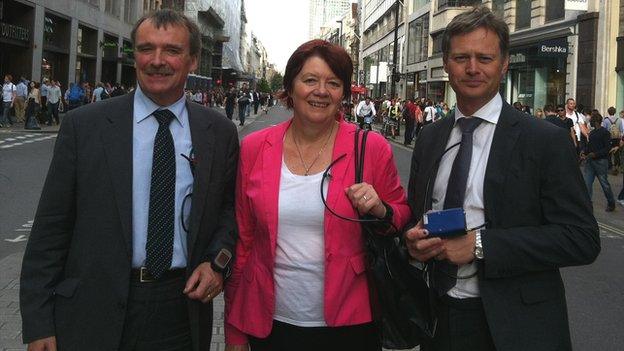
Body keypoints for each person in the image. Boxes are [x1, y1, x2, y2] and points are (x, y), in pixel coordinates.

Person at [20, 9, 239, 351]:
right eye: (146, 49)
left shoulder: (219, 133)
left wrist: (217, 264)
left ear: (193, 60)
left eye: (171, 50)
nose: (156, 61)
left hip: (179, 309)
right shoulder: (84, 126)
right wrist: (38, 323)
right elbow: (50, 228)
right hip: (91, 308)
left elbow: (229, 211)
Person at [404, 6, 600, 351]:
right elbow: (416, 214)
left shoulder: (545, 140)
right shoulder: (431, 137)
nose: (473, 68)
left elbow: (581, 239)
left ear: (504, 63)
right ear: (446, 63)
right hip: (438, 316)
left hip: (517, 326)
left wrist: (481, 246)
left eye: (485, 57)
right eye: (461, 57)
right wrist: (413, 240)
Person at [224, 39, 410, 351]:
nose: (320, 91)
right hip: (270, 322)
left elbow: (401, 216)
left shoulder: (370, 148)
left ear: (343, 93)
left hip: (350, 323)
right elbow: (244, 239)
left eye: (333, 83)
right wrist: (235, 330)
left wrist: (380, 209)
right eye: (310, 80)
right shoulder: (255, 147)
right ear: (290, 87)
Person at [582, 112, 616, 211]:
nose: (590, 122)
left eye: (591, 120)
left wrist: (595, 154)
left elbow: (607, 148)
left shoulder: (605, 132)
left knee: (604, 184)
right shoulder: (592, 133)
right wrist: (584, 151)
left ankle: (611, 203)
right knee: (587, 184)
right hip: (590, 162)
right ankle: (588, 204)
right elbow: (589, 146)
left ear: (596, 121)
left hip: (601, 162)